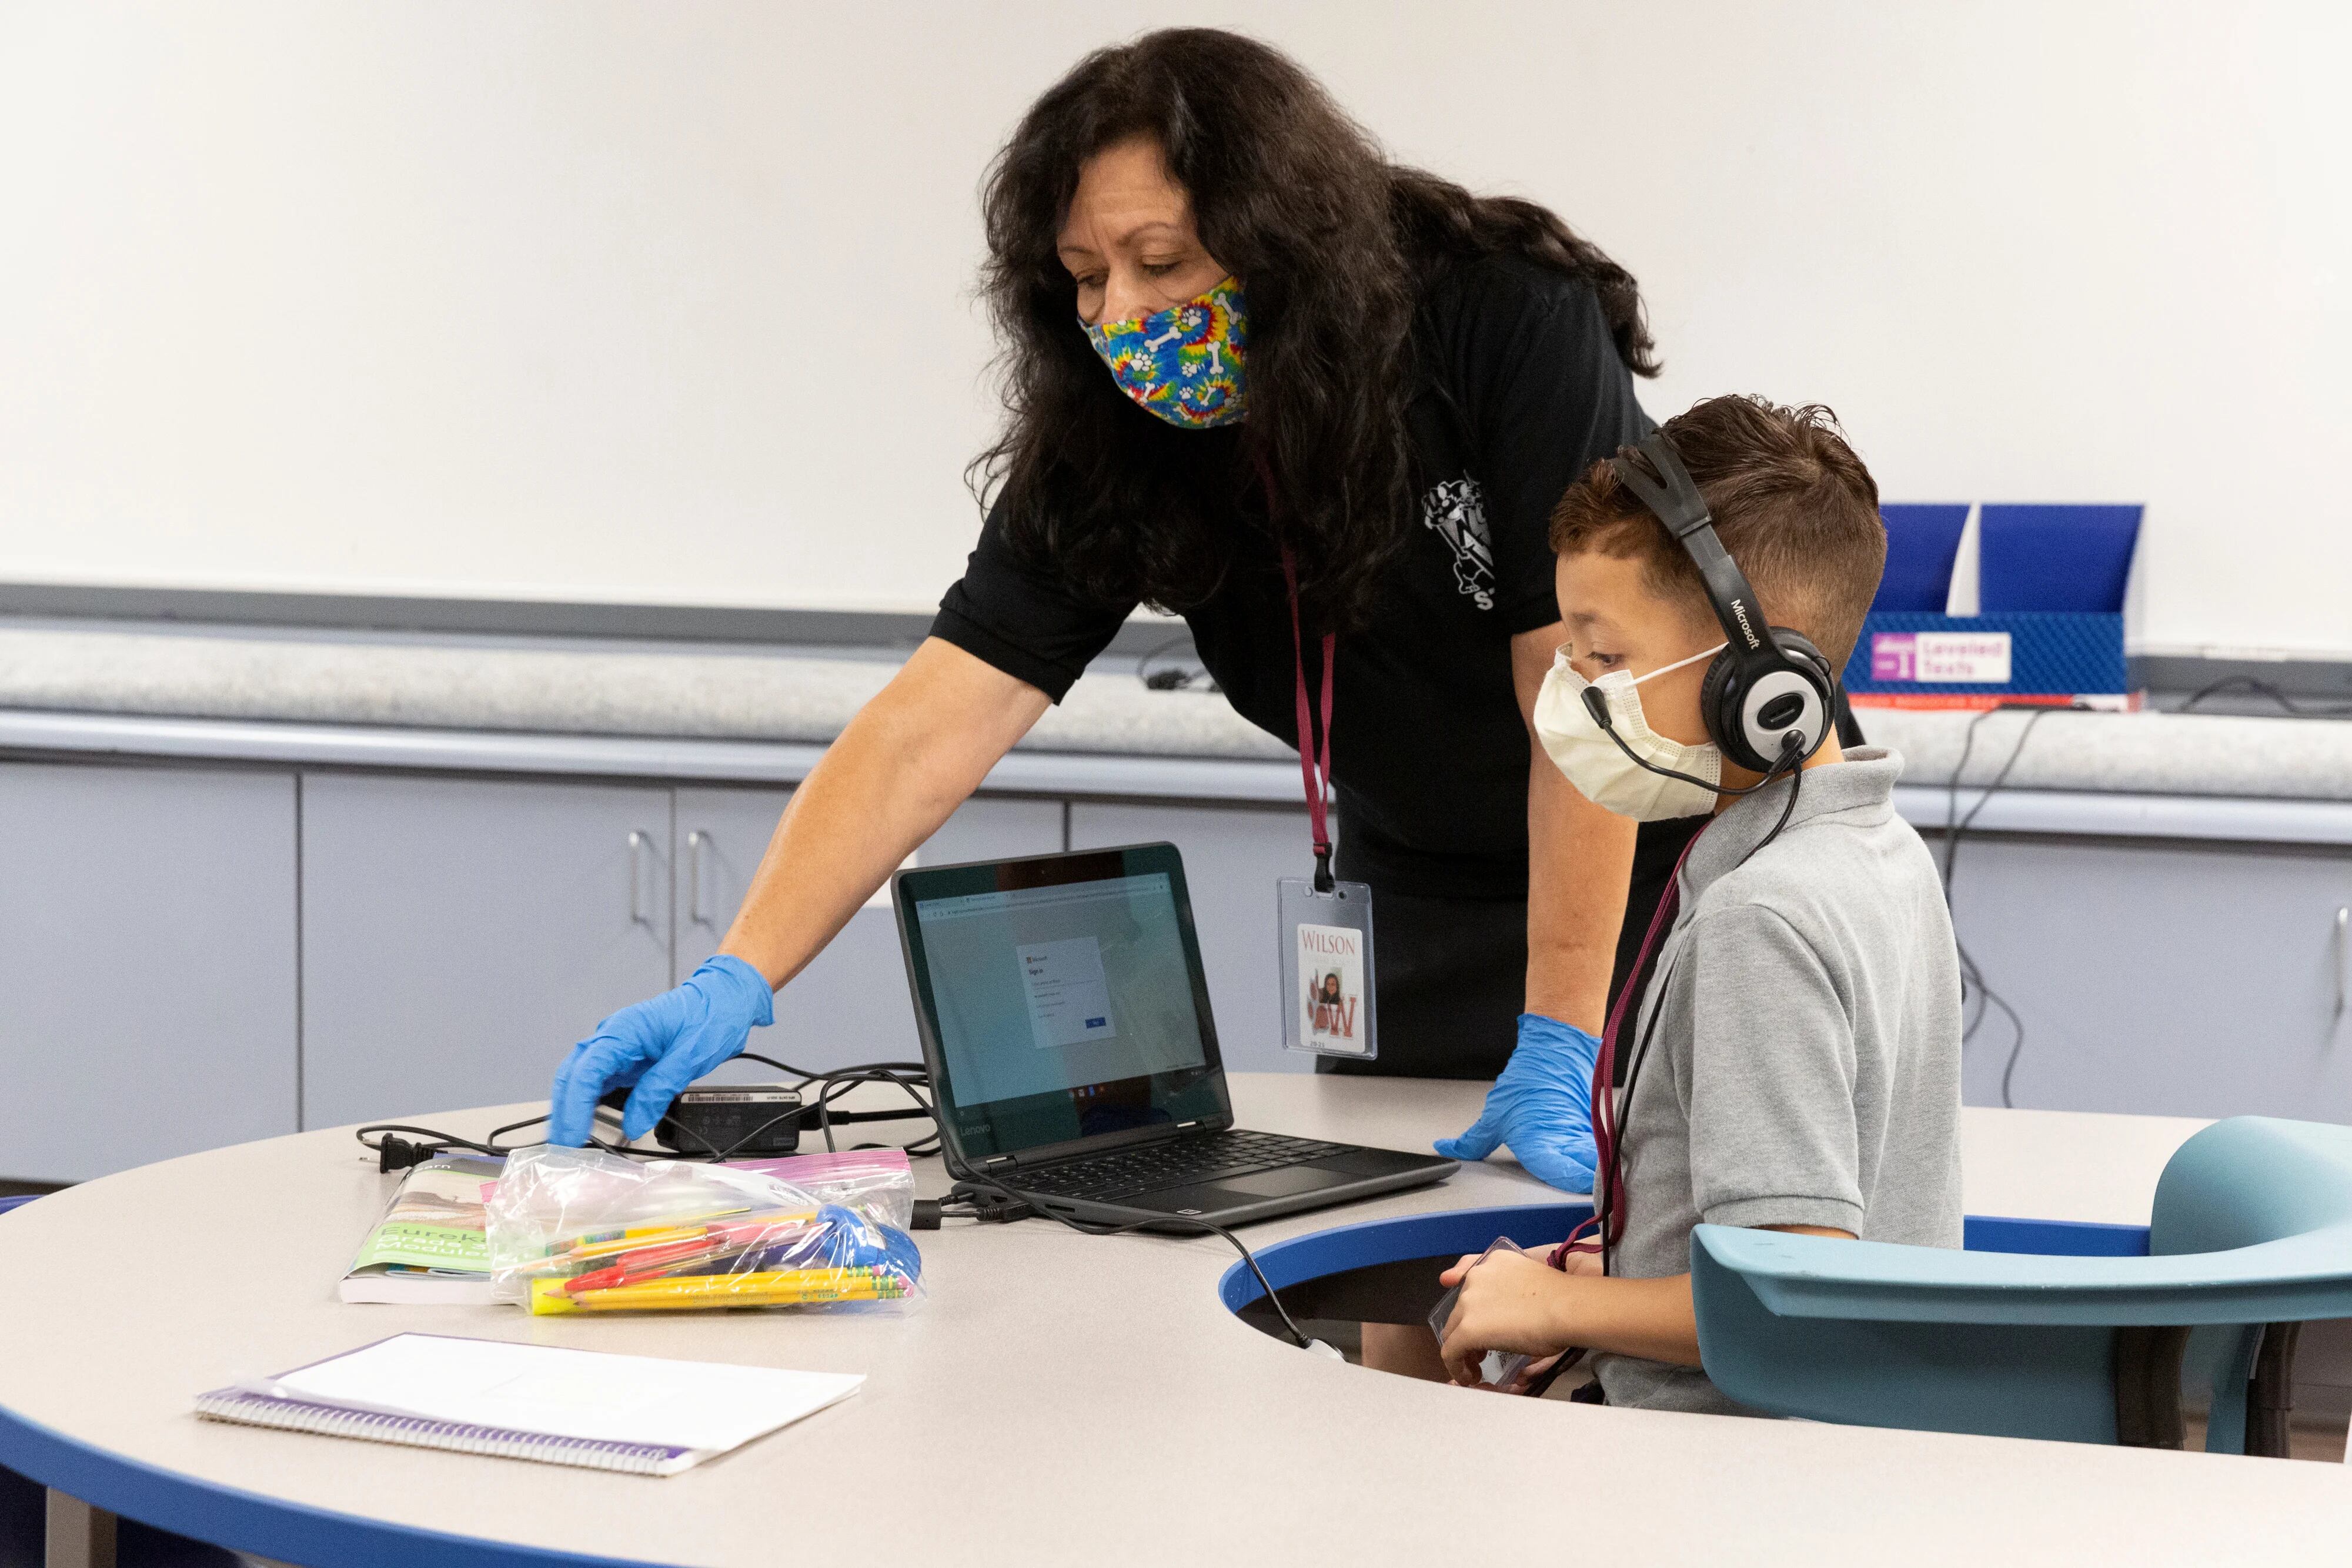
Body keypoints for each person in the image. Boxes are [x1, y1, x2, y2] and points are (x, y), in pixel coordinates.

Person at [547, 28, 1695, 1190]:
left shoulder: (1502, 321)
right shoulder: (1112, 445)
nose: (1125, 316)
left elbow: (1583, 698)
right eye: (1087, 278)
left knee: (1624, 1268)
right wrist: (736, 972)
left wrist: (1560, 1030)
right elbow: (929, 723)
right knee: (1390, 1273)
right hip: (1413, 879)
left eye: (1161, 259)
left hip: (1650, 852)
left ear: (1279, 241)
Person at [1431, 396, 1963, 1412]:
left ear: (1764, 685)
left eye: (1608, 657)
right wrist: (1616, 1280)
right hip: (1847, 1446)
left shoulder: (1760, 918)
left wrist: (1557, 1313)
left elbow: (1792, 1291)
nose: (1572, 691)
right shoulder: (1877, 852)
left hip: (1723, 1476)